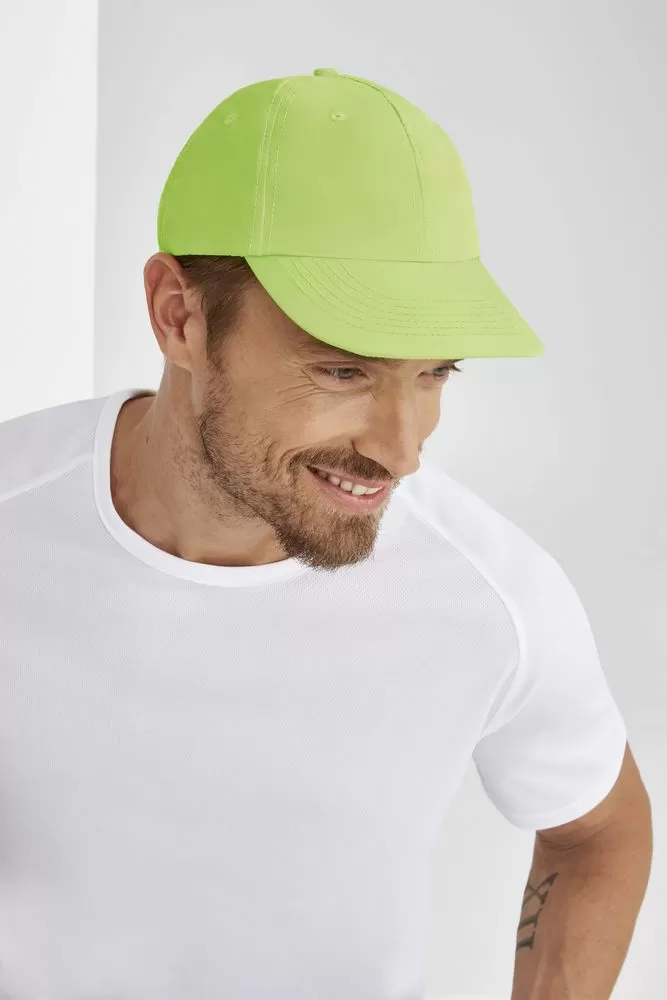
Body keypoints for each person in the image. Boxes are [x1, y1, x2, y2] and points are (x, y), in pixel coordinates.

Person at [0, 69, 646, 999]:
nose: (401, 450)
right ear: (179, 316)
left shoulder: (493, 595)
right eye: (343, 371)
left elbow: (597, 831)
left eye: (434, 373)